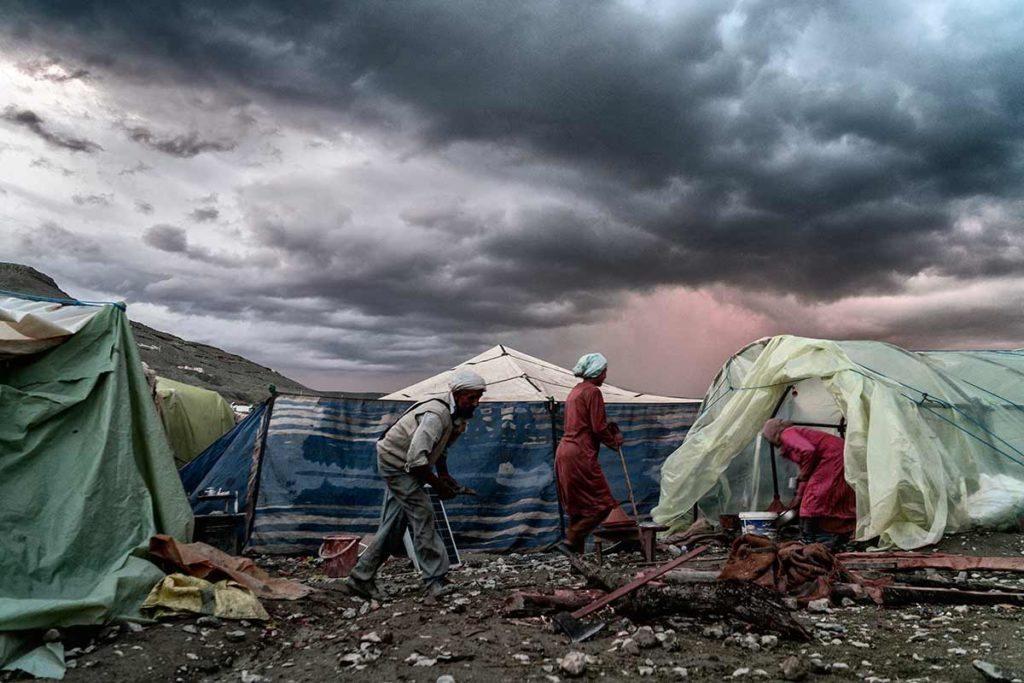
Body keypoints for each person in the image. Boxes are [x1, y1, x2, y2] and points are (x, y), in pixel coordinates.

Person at [345, 368, 486, 601]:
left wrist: (444, 475)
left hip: (407, 464)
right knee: (423, 514)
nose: (476, 403)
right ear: (458, 394)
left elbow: (440, 448)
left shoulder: (456, 416)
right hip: (396, 463)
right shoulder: (436, 415)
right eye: (472, 398)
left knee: (393, 525)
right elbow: (416, 461)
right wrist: (439, 486)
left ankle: (360, 578)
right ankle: (435, 580)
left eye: (479, 398)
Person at [555, 352, 625, 555]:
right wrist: (614, 442)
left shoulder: (575, 392)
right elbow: (598, 427)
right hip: (580, 453)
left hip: (564, 451)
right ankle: (572, 539)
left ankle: (576, 562)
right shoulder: (593, 392)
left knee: (577, 509)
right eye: (604, 371)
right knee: (603, 504)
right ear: (597, 371)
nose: (605, 375)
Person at [761, 418, 856, 549]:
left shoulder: (787, 433)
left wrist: (804, 477)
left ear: (772, 433)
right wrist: (800, 492)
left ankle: (809, 538)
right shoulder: (792, 435)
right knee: (832, 500)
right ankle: (835, 536)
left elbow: (807, 451)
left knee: (812, 500)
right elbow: (807, 458)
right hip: (837, 456)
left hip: (832, 458)